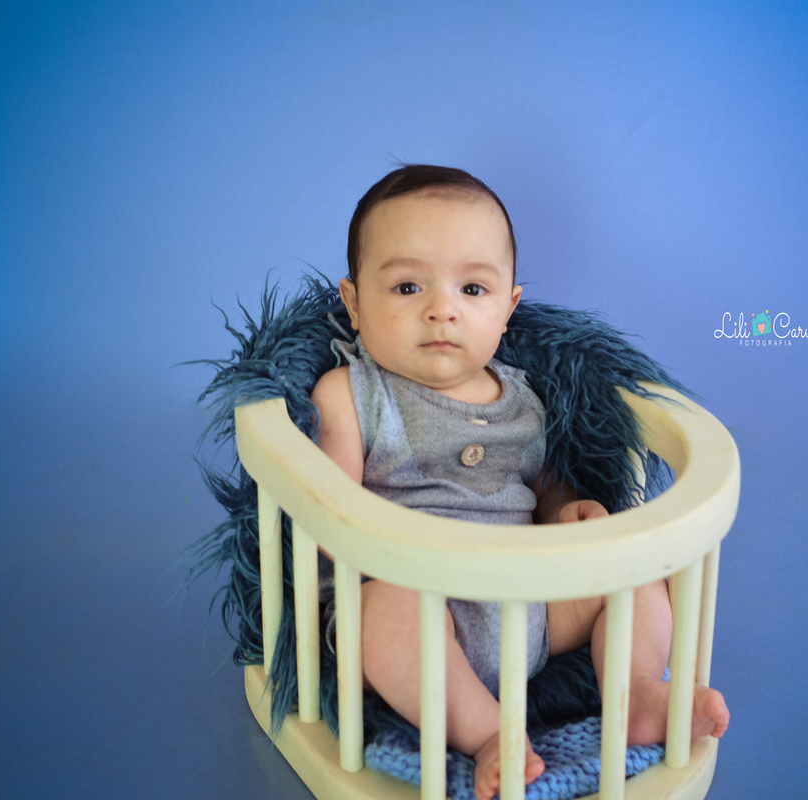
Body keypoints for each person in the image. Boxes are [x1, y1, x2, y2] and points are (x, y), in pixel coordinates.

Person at [311, 165, 729, 800]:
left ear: (508, 308)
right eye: (406, 286)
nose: (441, 310)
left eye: (472, 289)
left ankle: (639, 690)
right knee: (384, 610)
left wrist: (569, 512)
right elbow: (329, 506)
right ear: (354, 303)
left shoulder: (528, 400)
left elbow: (547, 488)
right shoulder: (351, 395)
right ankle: (487, 736)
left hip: (525, 608)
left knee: (630, 571)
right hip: (421, 607)